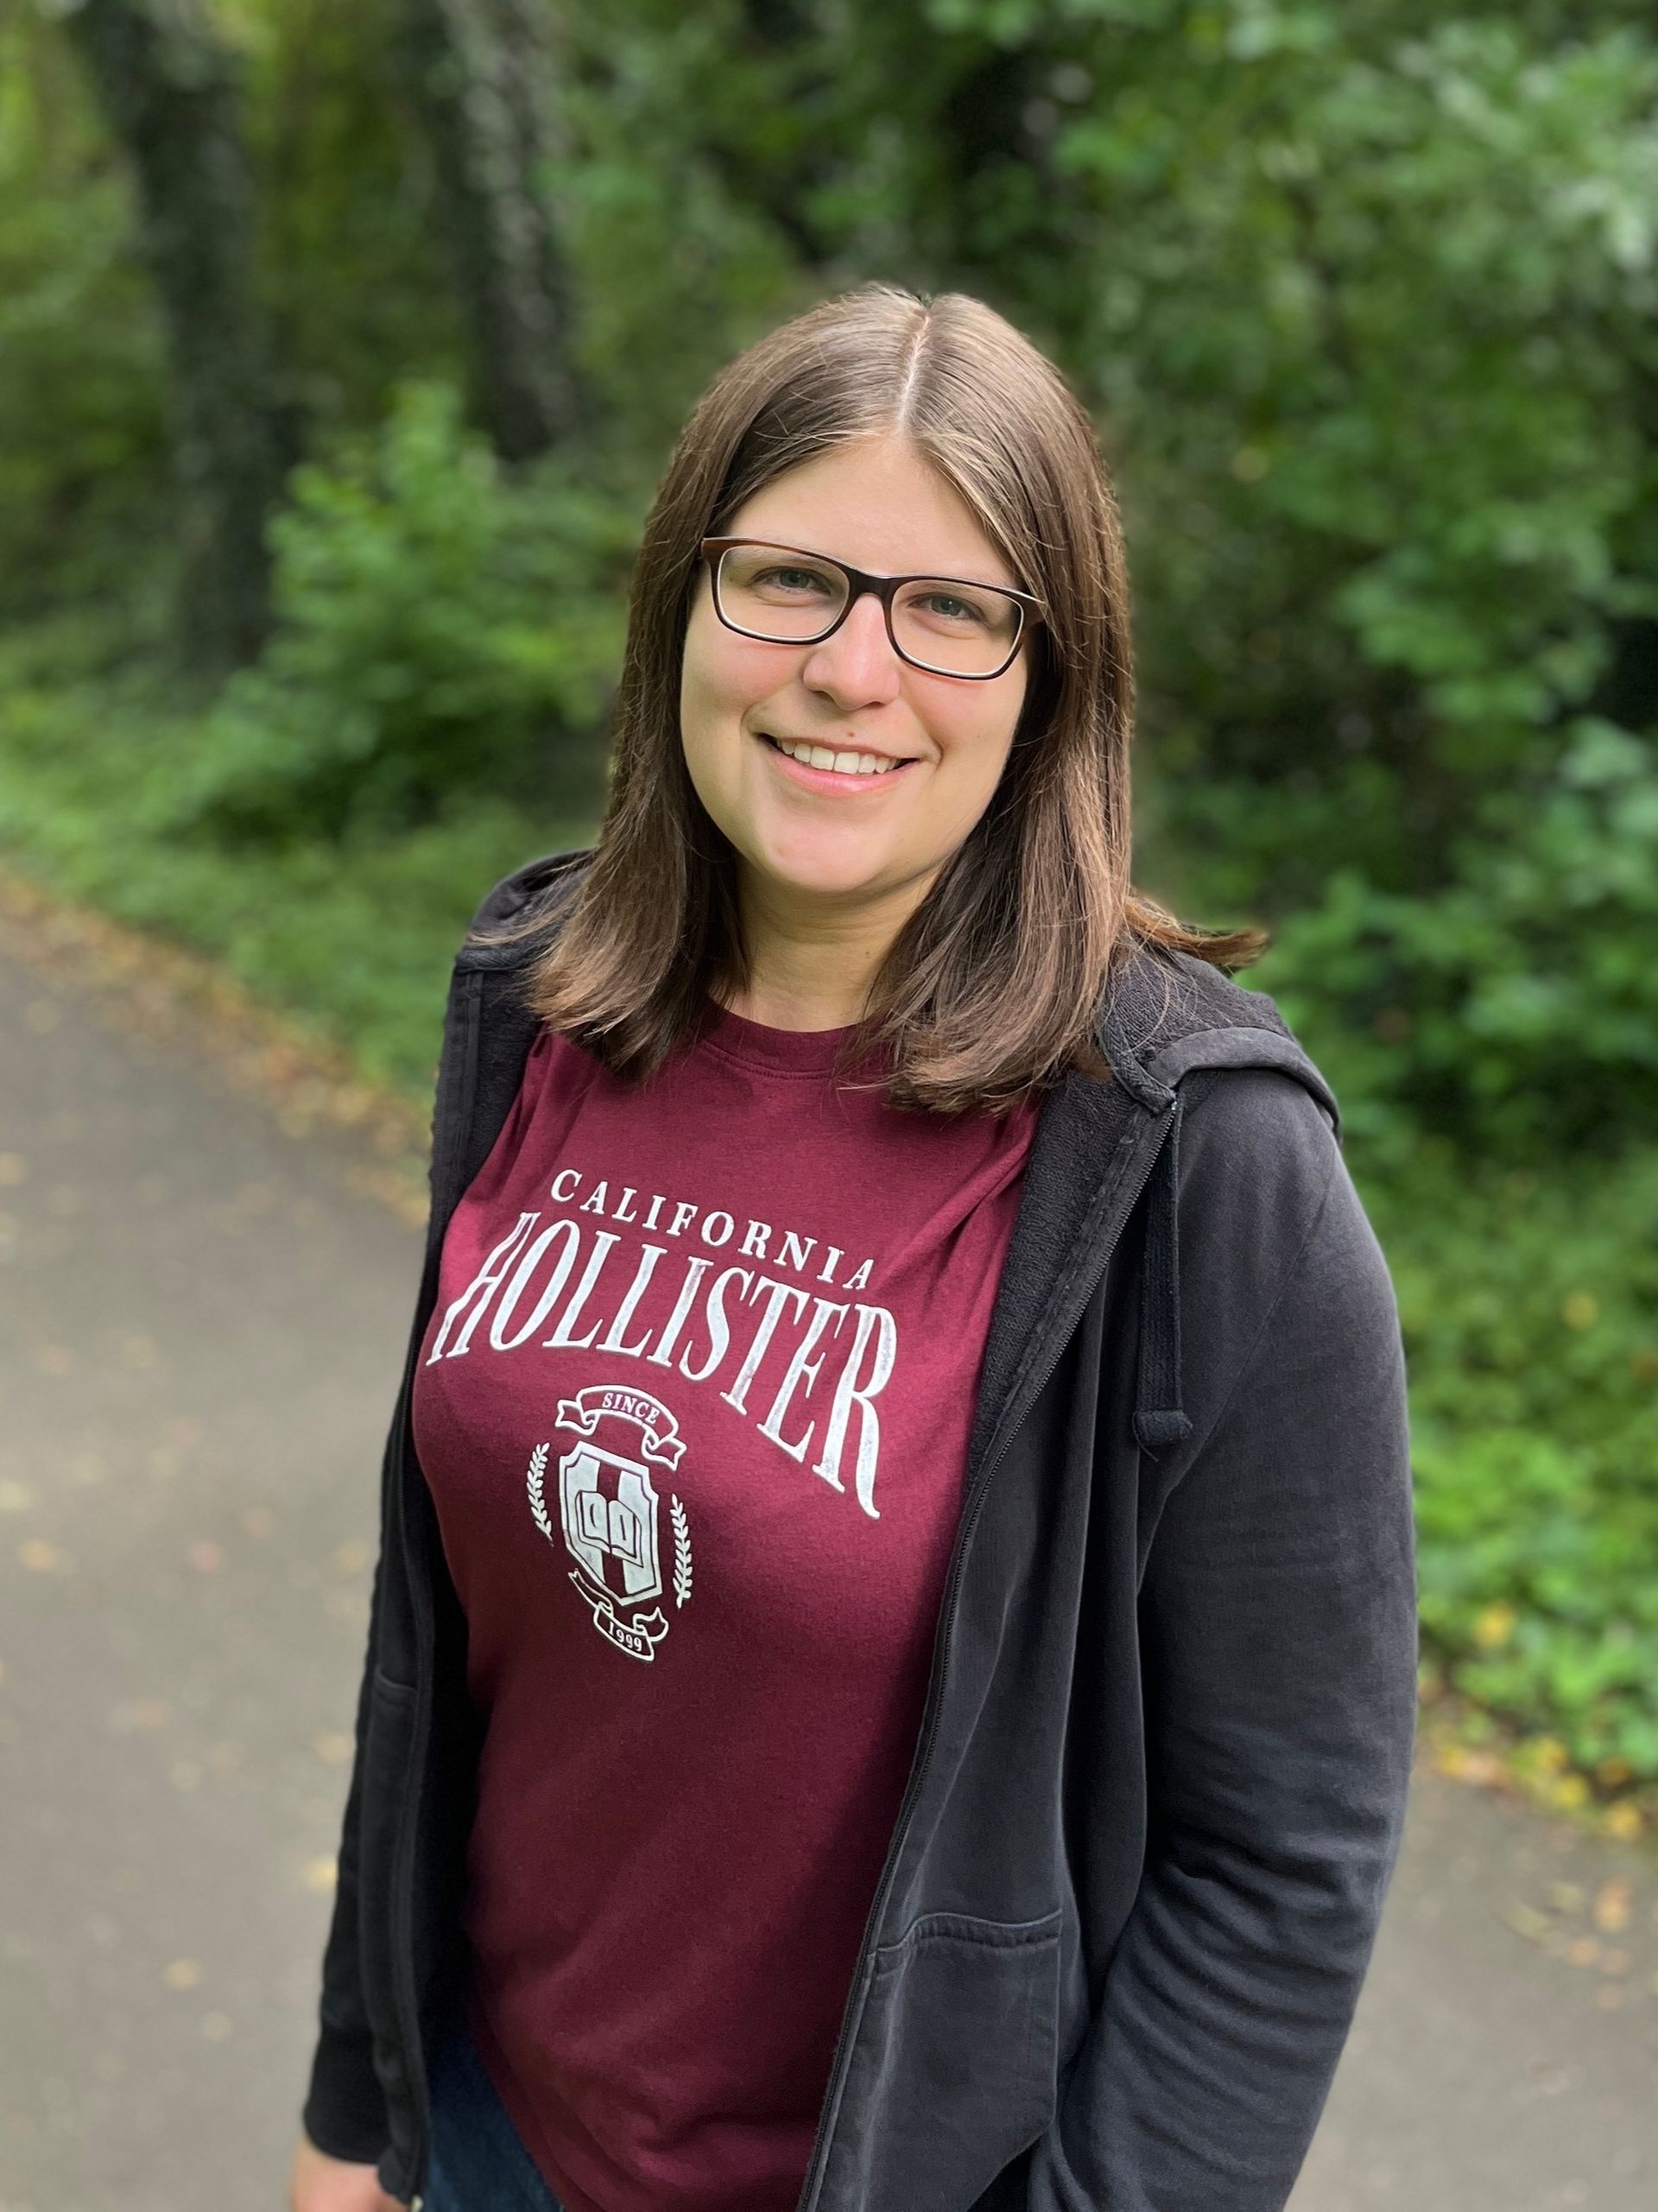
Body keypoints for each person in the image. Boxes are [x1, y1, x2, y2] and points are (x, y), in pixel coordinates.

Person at [287, 281, 1418, 2212]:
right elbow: (442, 1648)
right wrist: (357, 2106)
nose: (851, 668)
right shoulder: (544, 1002)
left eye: (952, 608)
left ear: (1053, 676)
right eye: (790, 580)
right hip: (486, 2139)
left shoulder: (1198, 1156)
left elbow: (1281, 1863)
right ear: (683, 603)